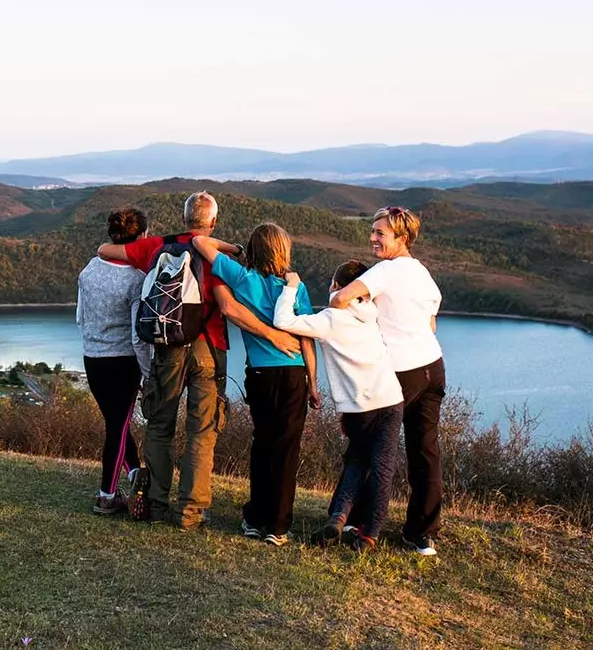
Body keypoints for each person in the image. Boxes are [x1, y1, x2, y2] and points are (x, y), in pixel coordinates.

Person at [97, 192, 302, 530]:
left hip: (168, 347)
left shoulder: (160, 247)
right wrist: (274, 335)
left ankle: (156, 502)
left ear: (183, 218)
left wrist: (159, 244)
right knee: (202, 431)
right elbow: (227, 307)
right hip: (209, 347)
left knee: (160, 426)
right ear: (213, 222)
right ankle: (191, 510)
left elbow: (105, 251)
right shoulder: (214, 256)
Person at [189, 224, 318, 546]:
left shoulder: (242, 278)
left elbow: (199, 241)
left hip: (259, 374)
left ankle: (254, 518)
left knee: (262, 444)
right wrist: (314, 382)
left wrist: (234, 249)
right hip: (292, 375)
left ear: (254, 250)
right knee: (286, 449)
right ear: (283, 251)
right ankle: (277, 526)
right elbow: (307, 340)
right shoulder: (294, 288)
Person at [329, 205, 445, 556]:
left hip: (400, 373)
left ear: (402, 238)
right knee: (425, 452)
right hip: (432, 368)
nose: (373, 237)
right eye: (373, 230)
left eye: (380, 233)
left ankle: (355, 521)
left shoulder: (387, 271)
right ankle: (421, 534)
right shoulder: (422, 272)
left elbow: (341, 298)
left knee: (367, 446)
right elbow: (431, 321)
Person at [273, 260, 404, 550]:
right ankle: (369, 534)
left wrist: (291, 288)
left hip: (359, 408)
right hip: (392, 400)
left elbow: (283, 321)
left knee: (358, 461)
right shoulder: (373, 315)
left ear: (336, 287)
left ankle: (339, 517)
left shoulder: (330, 320)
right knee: (383, 468)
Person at [75, 206, 151, 515]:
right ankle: (106, 495)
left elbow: (80, 316)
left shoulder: (89, 269)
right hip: (123, 361)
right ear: (141, 237)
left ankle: (134, 474)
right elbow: (138, 336)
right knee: (117, 427)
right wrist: (147, 372)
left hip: (92, 358)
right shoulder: (137, 278)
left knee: (116, 423)